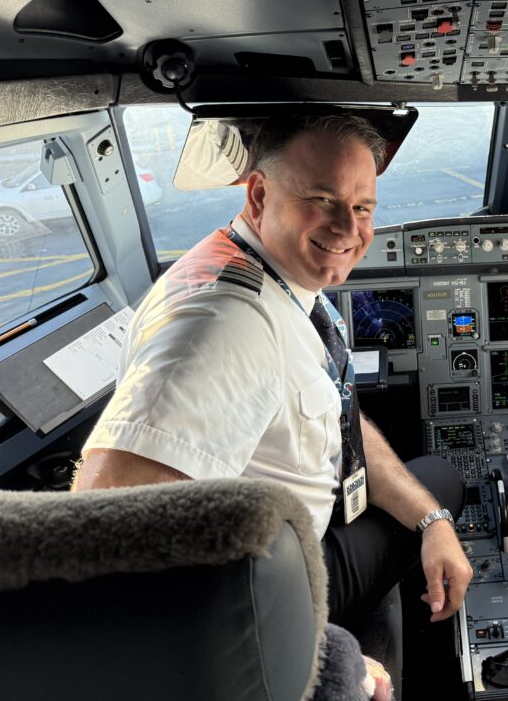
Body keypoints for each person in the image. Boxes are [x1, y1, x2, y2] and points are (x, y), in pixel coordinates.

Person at [73, 114, 473, 653]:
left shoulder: (268, 275)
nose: (349, 230)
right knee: (445, 477)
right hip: (277, 593)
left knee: (432, 499)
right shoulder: (225, 327)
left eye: (362, 208)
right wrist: (314, 647)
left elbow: (336, 414)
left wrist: (432, 524)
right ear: (258, 195)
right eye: (323, 200)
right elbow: (102, 533)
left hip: (293, 536)